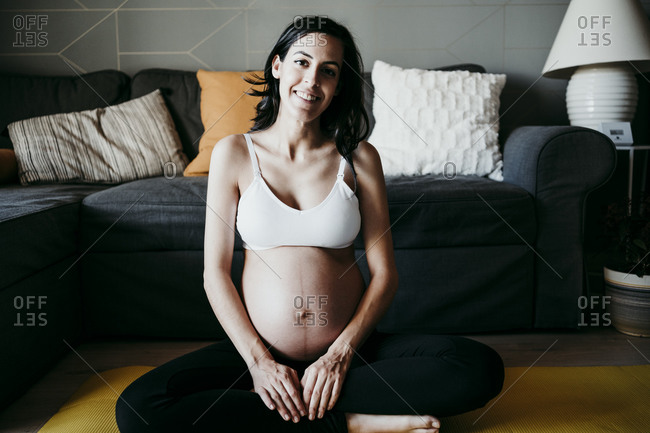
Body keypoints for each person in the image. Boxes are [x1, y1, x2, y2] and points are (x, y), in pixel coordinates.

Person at [116, 16, 504, 433]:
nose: (312, 80)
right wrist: (260, 364)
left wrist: (340, 356)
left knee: (478, 368)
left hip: (352, 355)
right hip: (259, 354)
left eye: (329, 71)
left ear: (338, 86)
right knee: (139, 408)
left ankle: (283, 408)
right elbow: (215, 275)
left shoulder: (359, 157)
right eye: (302, 62)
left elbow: (385, 274)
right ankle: (349, 423)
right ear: (278, 66)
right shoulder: (234, 153)